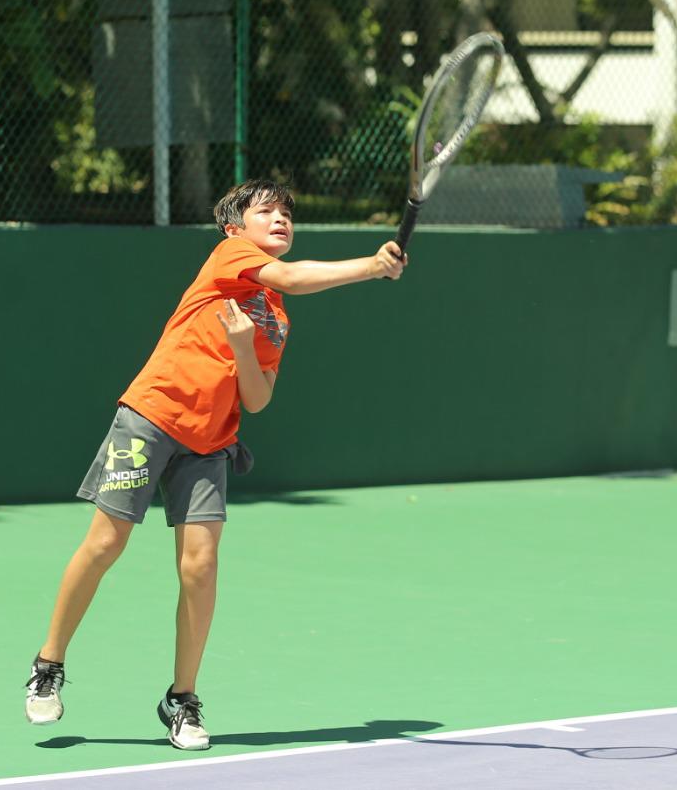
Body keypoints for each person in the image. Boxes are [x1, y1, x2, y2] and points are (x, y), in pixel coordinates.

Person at [25, 179, 406, 748]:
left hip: (210, 442)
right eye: (265, 211)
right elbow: (295, 276)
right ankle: (48, 664)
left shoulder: (275, 318)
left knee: (200, 569)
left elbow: (258, 398)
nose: (280, 218)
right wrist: (372, 267)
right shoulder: (230, 256)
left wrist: (246, 345)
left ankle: (181, 699)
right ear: (235, 227)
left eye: (286, 212)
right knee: (106, 543)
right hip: (150, 417)